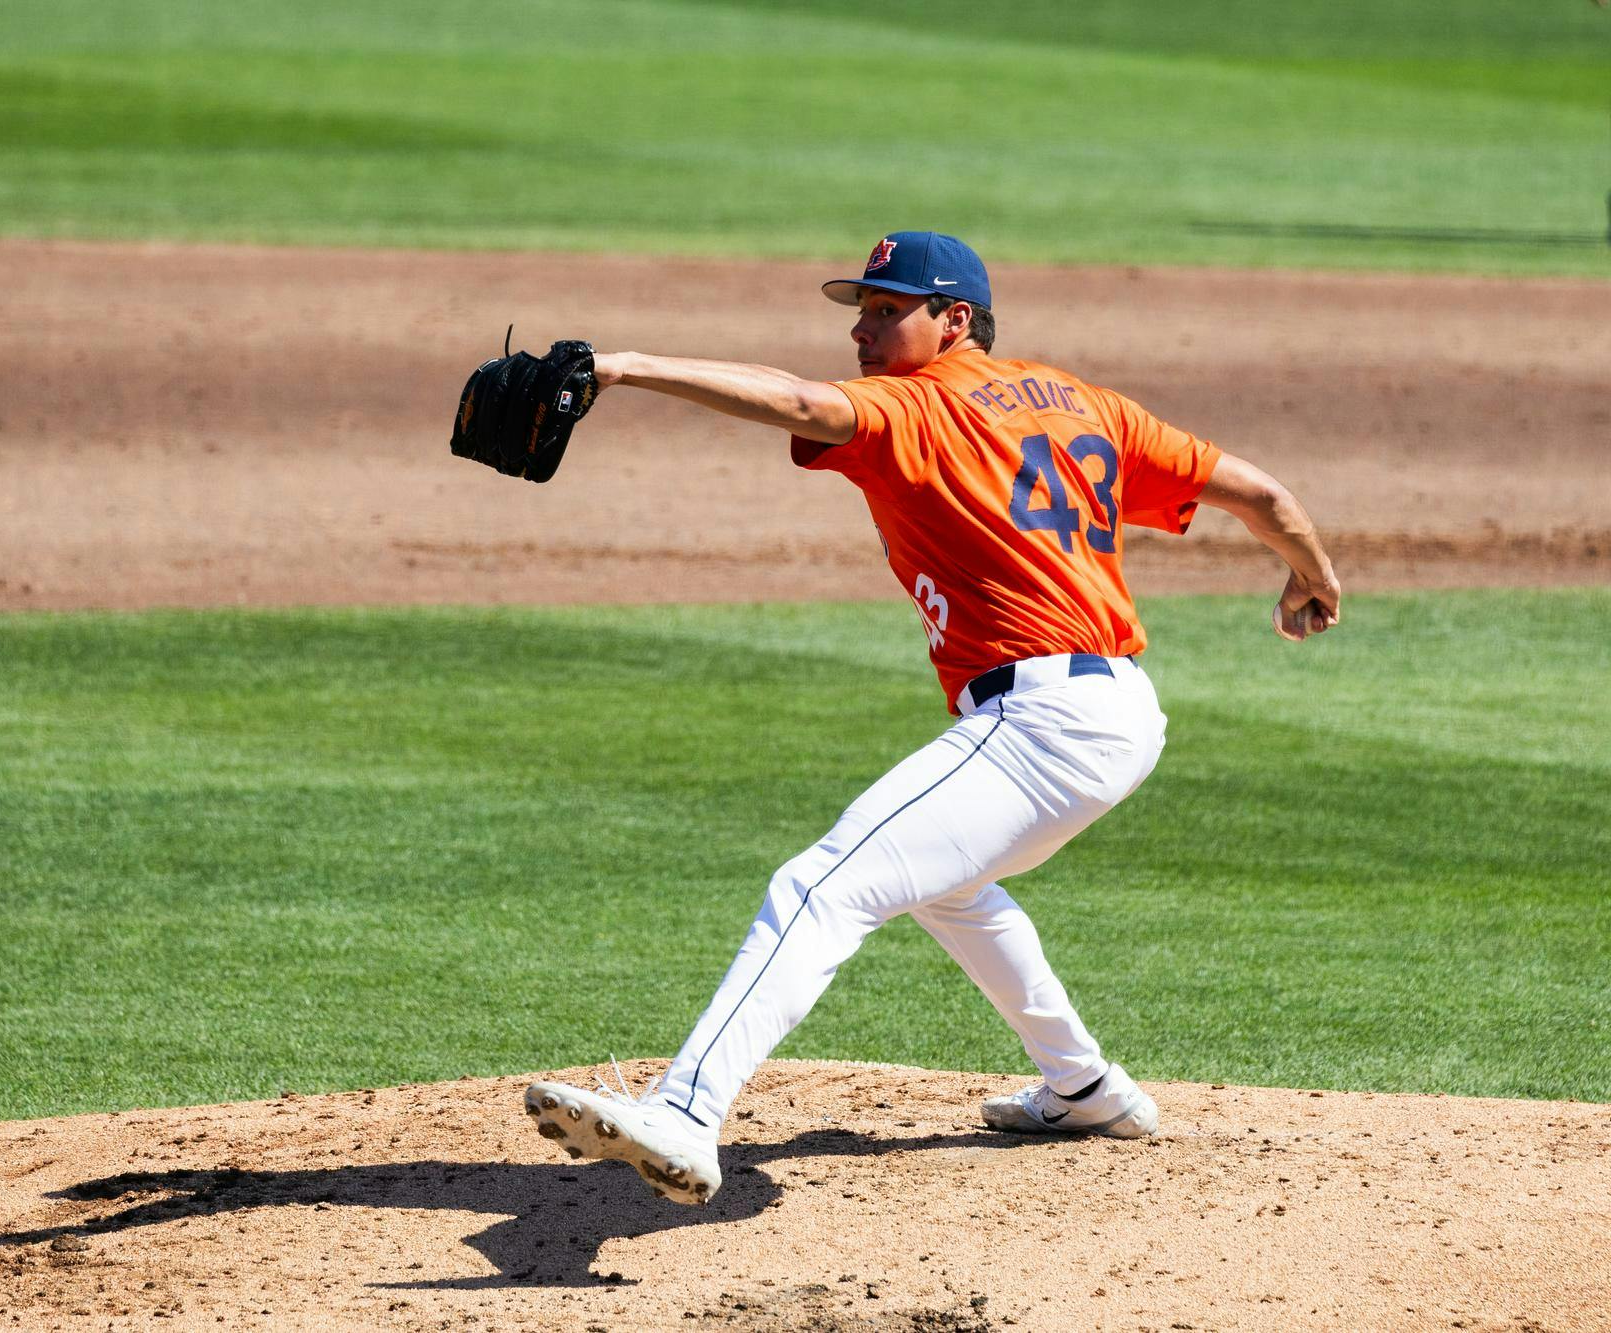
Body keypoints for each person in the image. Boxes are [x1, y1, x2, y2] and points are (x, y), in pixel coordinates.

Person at [522, 231, 1340, 1206]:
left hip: (1045, 721)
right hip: (1114, 711)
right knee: (945, 884)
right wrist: (1312, 575)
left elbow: (793, 402)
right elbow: (1258, 492)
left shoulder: (916, 402)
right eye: (858, 310)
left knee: (821, 883)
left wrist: (622, 367)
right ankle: (1082, 1085)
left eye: (884, 309)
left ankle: (686, 1113)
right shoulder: (1083, 401)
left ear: (954, 319)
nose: (862, 330)